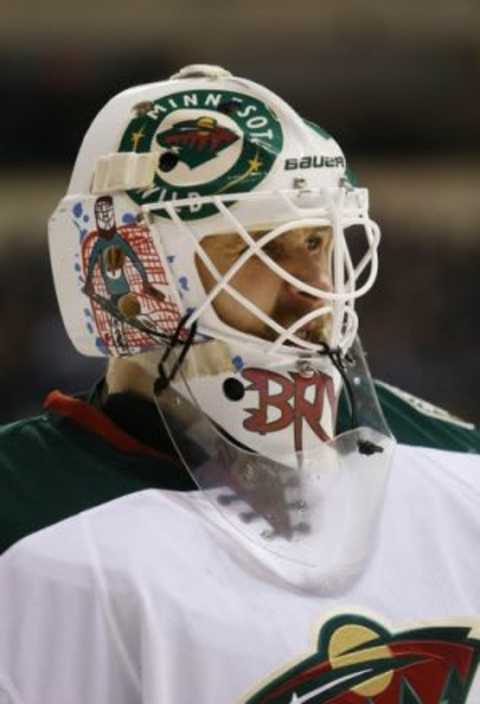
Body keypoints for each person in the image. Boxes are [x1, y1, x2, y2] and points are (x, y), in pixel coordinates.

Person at [0, 64, 480, 704]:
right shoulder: (22, 526)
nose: (313, 286)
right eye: (258, 250)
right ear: (132, 278)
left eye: (317, 240)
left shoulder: (465, 476)